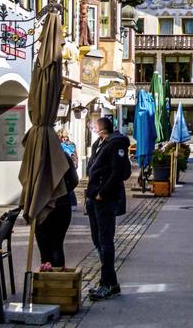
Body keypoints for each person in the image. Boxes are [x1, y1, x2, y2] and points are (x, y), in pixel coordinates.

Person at [85, 116, 132, 300]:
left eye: (94, 126)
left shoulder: (115, 143)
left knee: (105, 241)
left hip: (104, 199)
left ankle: (105, 284)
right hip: (95, 198)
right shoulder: (101, 143)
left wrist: (102, 193)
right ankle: (112, 283)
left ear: (101, 128)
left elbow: (119, 172)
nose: (92, 128)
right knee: (98, 239)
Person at [36, 150, 79, 267]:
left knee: (45, 250)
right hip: (62, 206)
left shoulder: (36, 155)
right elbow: (74, 180)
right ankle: (59, 281)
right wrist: (62, 193)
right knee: (57, 246)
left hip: (41, 206)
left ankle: (48, 280)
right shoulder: (63, 155)